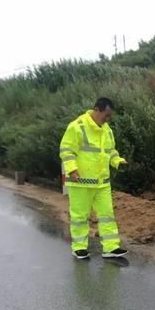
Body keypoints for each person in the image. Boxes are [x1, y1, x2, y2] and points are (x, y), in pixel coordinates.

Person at [59, 98, 128, 260]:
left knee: (107, 215)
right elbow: (66, 150)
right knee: (80, 217)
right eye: (106, 115)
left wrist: (118, 161)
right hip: (80, 182)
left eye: (110, 116)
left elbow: (111, 151)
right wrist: (72, 170)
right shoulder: (77, 127)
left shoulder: (107, 130)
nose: (108, 119)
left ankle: (111, 247)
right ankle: (79, 248)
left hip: (102, 182)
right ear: (97, 110)